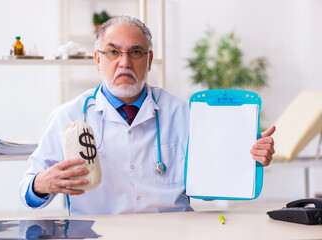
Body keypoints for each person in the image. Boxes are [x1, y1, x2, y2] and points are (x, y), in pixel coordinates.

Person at [19, 16, 275, 215]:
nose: (125, 62)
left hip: (173, 230)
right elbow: (27, 193)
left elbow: (207, 190)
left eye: (136, 52)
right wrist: (41, 184)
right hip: (99, 232)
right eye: (113, 52)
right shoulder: (67, 116)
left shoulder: (182, 112)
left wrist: (244, 161)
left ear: (149, 60)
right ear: (97, 60)